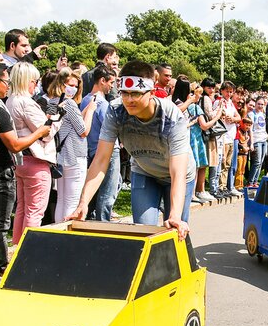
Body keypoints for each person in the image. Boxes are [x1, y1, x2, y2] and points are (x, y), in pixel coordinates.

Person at [67, 60, 195, 239]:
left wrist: (174, 215)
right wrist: (83, 203)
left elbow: (177, 171)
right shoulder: (116, 110)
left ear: (151, 92)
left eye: (136, 93)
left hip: (178, 175)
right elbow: (101, 160)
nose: (129, 100)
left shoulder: (171, 116)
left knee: (174, 231)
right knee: (142, 233)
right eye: (124, 93)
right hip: (144, 171)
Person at [0, 63, 50, 284]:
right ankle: (3, 272)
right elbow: (14, 145)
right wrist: (40, 132)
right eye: (6, 82)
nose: (8, 86)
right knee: (0, 224)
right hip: (0, 170)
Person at [6, 62, 58, 244]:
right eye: (35, 81)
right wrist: (56, 120)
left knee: (22, 208)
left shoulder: (10, 100)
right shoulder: (26, 102)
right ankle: (29, 249)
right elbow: (46, 132)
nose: (36, 85)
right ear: (26, 80)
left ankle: (17, 246)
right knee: (35, 211)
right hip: (36, 160)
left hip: (20, 160)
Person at [49, 68, 96, 223]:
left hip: (60, 155)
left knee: (62, 199)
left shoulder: (52, 102)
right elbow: (83, 131)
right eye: (70, 85)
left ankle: (59, 229)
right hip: (75, 156)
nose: (73, 88)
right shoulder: (69, 103)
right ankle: (66, 232)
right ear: (61, 83)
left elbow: (72, 123)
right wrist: (90, 110)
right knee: (72, 201)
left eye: (76, 86)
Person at [80, 65, 119, 221]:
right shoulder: (102, 104)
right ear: (102, 80)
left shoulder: (85, 100)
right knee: (107, 192)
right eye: (111, 82)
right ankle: (103, 223)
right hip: (108, 151)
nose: (112, 86)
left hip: (91, 150)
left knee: (95, 191)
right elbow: (111, 127)